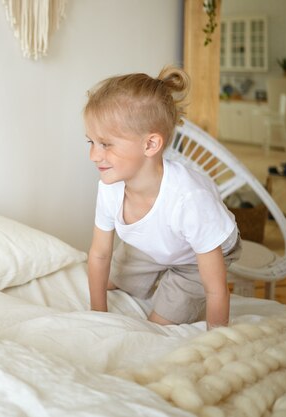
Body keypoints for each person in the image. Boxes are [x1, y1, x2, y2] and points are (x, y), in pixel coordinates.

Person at [84, 66, 241, 330]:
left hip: (195, 258)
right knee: (110, 280)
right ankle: (154, 271)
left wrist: (218, 340)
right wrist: (98, 313)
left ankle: (172, 281)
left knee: (156, 326)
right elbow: (100, 254)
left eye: (106, 144)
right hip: (156, 246)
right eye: (90, 142)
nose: (94, 156)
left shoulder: (189, 199)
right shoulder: (110, 187)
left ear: (150, 145)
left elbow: (216, 290)